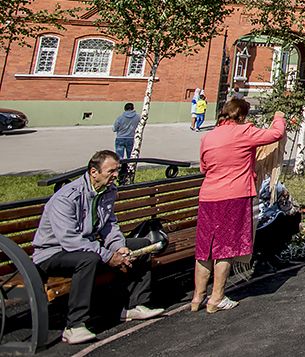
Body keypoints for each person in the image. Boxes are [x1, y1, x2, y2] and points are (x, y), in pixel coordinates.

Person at [32, 150, 163, 344]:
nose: (116, 175)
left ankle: (133, 305)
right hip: (53, 253)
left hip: (85, 247)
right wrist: (108, 256)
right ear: (94, 172)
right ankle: (74, 325)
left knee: (142, 246)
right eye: (111, 171)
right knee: (89, 259)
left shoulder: (107, 191)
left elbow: (109, 225)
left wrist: (118, 247)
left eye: (117, 170)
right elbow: (70, 240)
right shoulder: (67, 197)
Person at [193, 97, 286, 313]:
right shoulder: (244, 132)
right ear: (242, 116)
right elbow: (275, 134)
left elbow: (203, 168)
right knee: (225, 248)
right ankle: (217, 297)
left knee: (204, 249)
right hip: (234, 195)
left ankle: (197, 298)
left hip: (208, 196)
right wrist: (279, 118)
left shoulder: (209, 137)